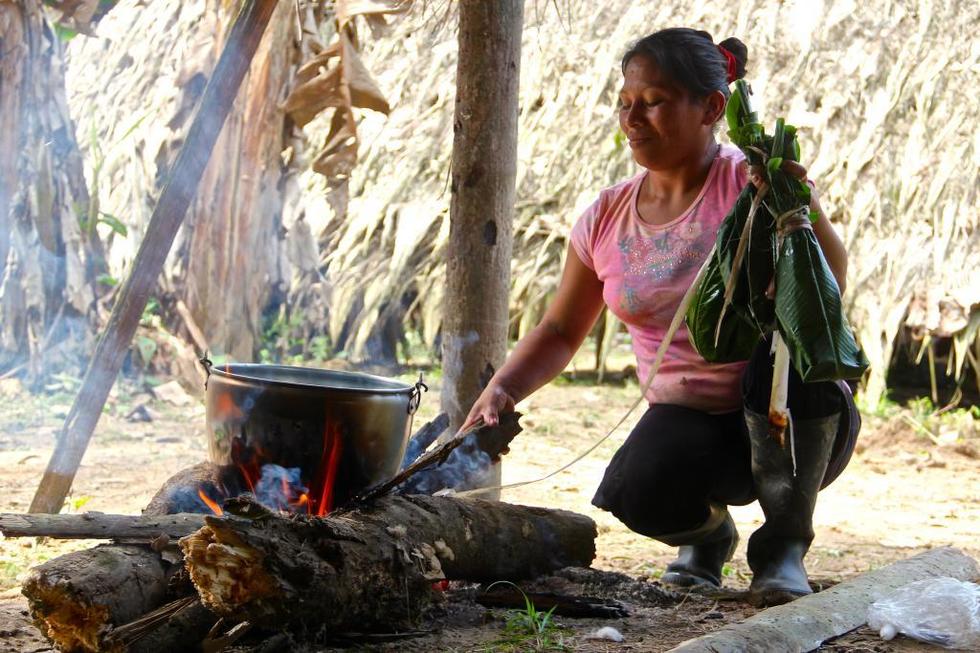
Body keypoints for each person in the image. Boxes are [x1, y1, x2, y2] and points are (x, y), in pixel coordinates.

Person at [462, 27, 861, 606]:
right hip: (690, 420)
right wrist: (503, 389)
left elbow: (830, 278)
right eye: (625, 104)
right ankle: (708, 537)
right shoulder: (607, 215)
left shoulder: (754, 184)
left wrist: (790, 209)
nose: (632, 118)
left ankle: (783, 546)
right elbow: (559, 329)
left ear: (712, 108)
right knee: (634, 490)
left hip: (794, 416)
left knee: (782, 369)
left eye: (653, 103)